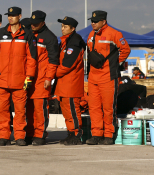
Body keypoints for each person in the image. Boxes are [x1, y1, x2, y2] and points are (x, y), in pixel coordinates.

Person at [0, 6, 37, 146]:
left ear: (20, 16)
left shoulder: (27, 34)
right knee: (2, 110)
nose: (10, 17)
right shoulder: (1, 33)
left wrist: (29, 77)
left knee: (20, 111)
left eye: (13, 15)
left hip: (20, 80)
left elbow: (31, 59)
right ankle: (3, 136)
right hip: (1, 79)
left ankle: (19, 136)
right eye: (9, 15)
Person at [85, 10, 130, 145]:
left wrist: (115, 64)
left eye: (95, 21)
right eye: (91, 21)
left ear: (103, 21)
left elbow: (126, 50)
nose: (92, 23)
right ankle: (96, 134)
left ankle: (109, 134)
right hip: (93, 77)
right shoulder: (91, 34)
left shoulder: (114, 34)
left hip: (108, 77)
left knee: (108, 107)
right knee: (93, 107)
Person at [25, 10, 59, 146]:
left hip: (41, 79)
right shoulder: (27, 33)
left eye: (36, 24)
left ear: (43, 23)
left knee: (40, 109)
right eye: (31, 23)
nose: (33, 26)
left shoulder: (50, 37)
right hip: (28, 77)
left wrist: (48, 78)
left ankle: (40, 134)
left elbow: (53, 60)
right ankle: (29, 133)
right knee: (27, 109)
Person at [55, 16, 86, 145]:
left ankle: (76, 133)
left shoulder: (74, 42)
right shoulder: (65, 41)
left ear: (72, 28)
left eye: (65, 27)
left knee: (72, 110)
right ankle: (70, 132)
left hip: (71, 82)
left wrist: (52, 73)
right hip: (64, 82)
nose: (62, 29)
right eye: (62, 26)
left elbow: (68, 64)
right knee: (66, 110)